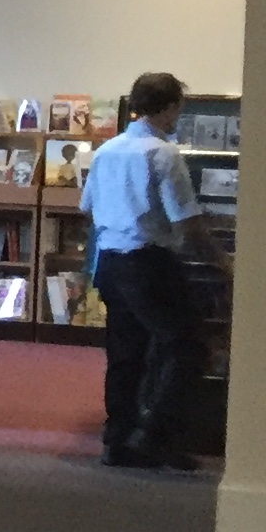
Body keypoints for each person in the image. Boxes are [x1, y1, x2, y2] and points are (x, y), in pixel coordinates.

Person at [80, 70, 218, 471]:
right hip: (148, 260)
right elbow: (187, 221)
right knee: (186, 346)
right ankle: (155, 435)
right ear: (171, 106)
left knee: (126, 351)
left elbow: (86, 208)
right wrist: (220, 260)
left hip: (110, 261)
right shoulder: (164, 153)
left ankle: (118, 439)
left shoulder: (107, 151)